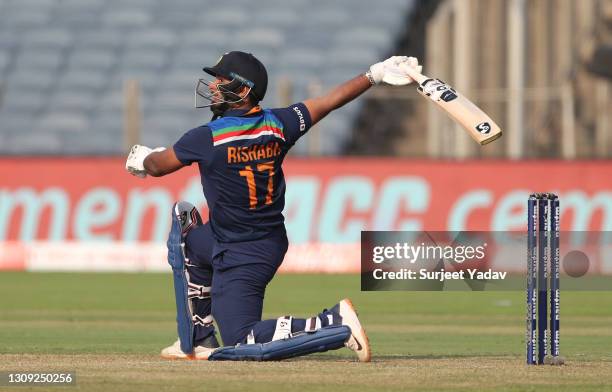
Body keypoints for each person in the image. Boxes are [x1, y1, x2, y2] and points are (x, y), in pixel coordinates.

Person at [125, 51, 421, 361]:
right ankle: (199, 339)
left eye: (221, 81)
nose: (213, 87)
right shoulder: (280, 124)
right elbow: (331, 101)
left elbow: (159, 166)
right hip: (252, 239)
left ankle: (332, 321)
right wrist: (373, 75)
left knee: (241, 340)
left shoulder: (206, 138)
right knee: (190, 241)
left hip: (244, 252)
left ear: (242, 90)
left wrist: (143, 158)